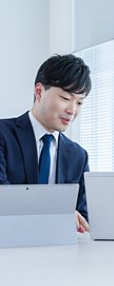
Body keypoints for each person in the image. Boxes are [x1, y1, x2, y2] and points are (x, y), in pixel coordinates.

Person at [0, 54, 92, 233]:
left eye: (79, 102)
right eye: (65, 98)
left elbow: (84, 218)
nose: (72, 110)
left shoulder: (78, 156)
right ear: (39, 91)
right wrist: (57, 213)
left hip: (60, 253)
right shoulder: (3, 135)